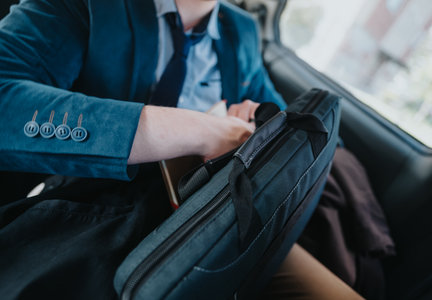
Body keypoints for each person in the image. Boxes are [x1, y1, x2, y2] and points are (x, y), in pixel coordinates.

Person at [0, 0, 364, 299]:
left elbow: (283, 122)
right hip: (96, 215)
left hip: (212, 216)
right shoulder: (88, 6)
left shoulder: (241, 29)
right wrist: (200, 130)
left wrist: (255, 124)